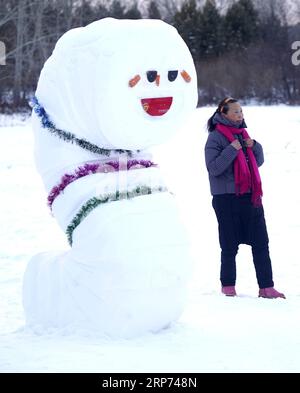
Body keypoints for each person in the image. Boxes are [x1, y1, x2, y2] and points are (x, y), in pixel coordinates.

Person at [204, 97, 285, 299]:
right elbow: (214, 168)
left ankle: (267, 287)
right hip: (226, 199)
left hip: (250, 196)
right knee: (229, 245)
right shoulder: (215, 137)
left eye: (241, 112)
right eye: (236, 112)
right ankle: (228, 287)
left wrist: (254, 145)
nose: (240, 115)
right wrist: (233, 149)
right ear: (223, 114)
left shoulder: (243, 134)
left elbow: (257, 162)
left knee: (261, 242)